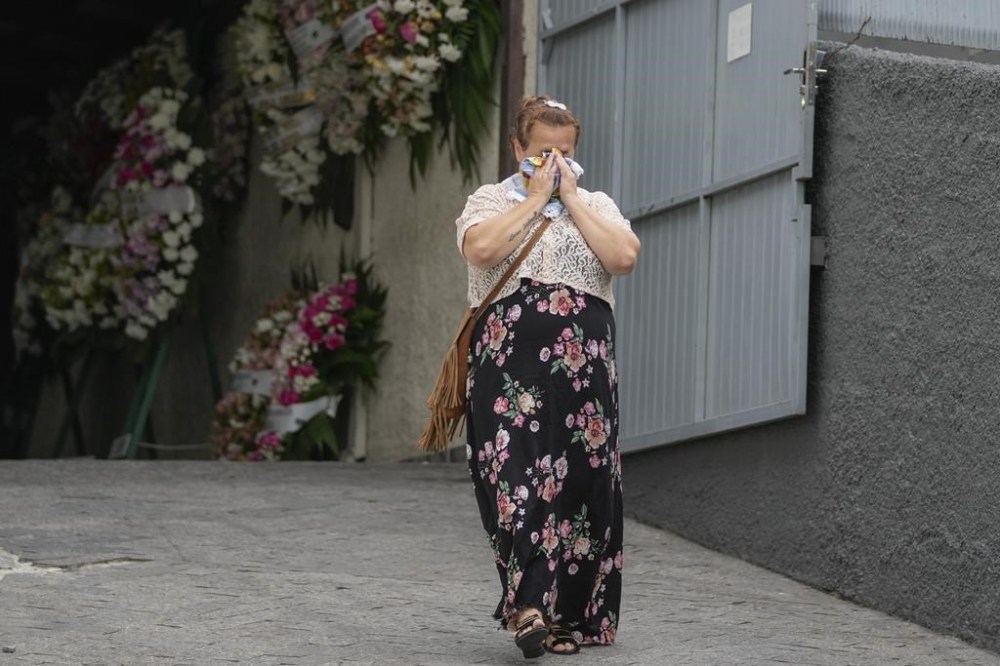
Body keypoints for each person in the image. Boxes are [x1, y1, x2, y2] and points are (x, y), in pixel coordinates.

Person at [456, 95, 640, 658]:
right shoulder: (490, 201)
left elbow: (623, 257)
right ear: (517, 149)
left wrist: (570, 201)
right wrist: (534, 200)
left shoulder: (597, 203)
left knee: (583, 488)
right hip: (508, 373)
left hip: (584, 378)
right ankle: (529, 606)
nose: (553, 161)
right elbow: (482, 249)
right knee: (517, 480)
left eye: (564, 153)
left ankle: (567, 618)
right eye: (542, 152)